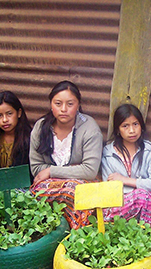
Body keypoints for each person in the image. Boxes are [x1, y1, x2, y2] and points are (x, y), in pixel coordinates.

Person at [29, 80, 103, 229]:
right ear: (51, 104)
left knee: (78, 192)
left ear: (78, 105)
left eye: (70, 104)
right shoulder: (40, 127)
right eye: (58, 104)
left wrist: (51, 171)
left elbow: (89, 170)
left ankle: (78, 236)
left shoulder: (89, 128)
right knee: (37, 194)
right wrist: (73, 170)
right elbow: (36, 169)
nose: (64, 109)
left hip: (83, 184)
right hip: (48, 186)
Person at [101, 104, 151, 224]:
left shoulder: (150, 150)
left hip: (145, 207)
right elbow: (109, 188)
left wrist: (124, 180)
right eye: (125, 126)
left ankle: (147, 235)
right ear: (118, 129)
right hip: (118, 207)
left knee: (143, 197)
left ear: (141, 126)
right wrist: (142, 188)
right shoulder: (109, 153)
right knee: (143, 195)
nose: (132, 130)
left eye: (135, 124)